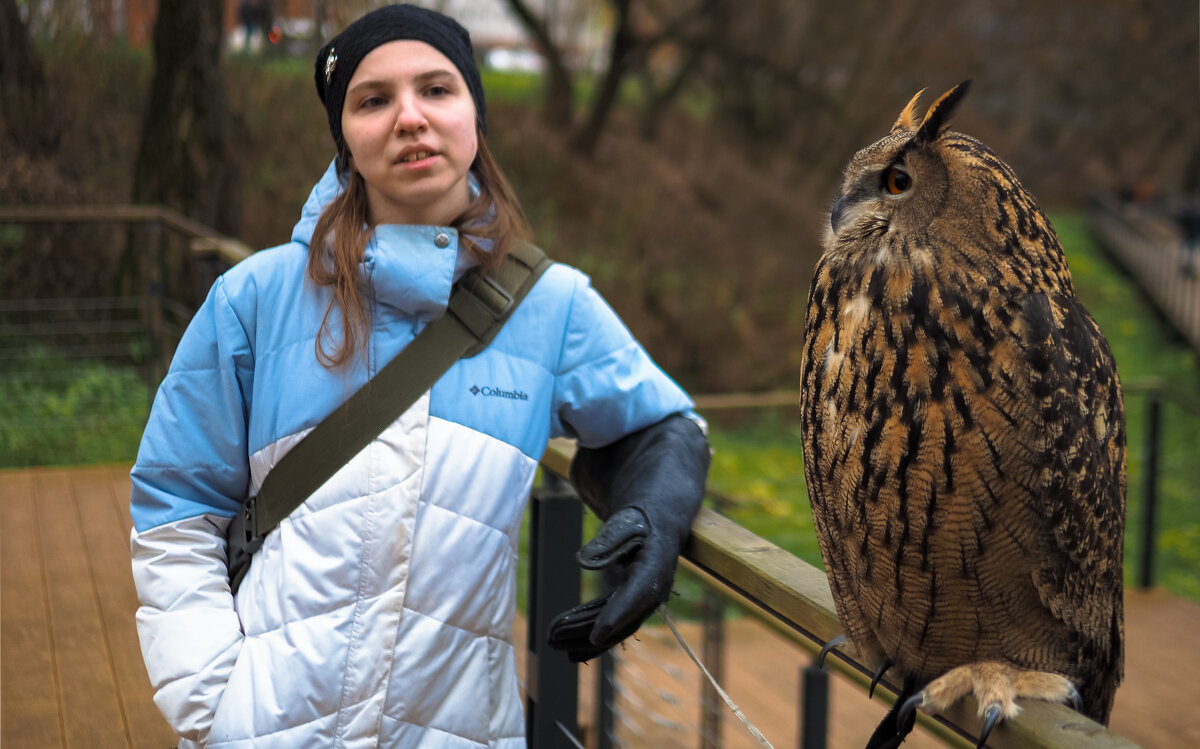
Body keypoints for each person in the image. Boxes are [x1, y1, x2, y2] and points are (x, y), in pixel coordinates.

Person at [128, 4, 710, 748]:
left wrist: (655, 519)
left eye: (438, 89)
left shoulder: (552, 307)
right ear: (344, 134)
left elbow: (662, 426)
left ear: (475, 114)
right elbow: (176, 508)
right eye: (374, 100)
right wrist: (214, 703)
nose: (410, 117)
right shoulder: (255, 298)